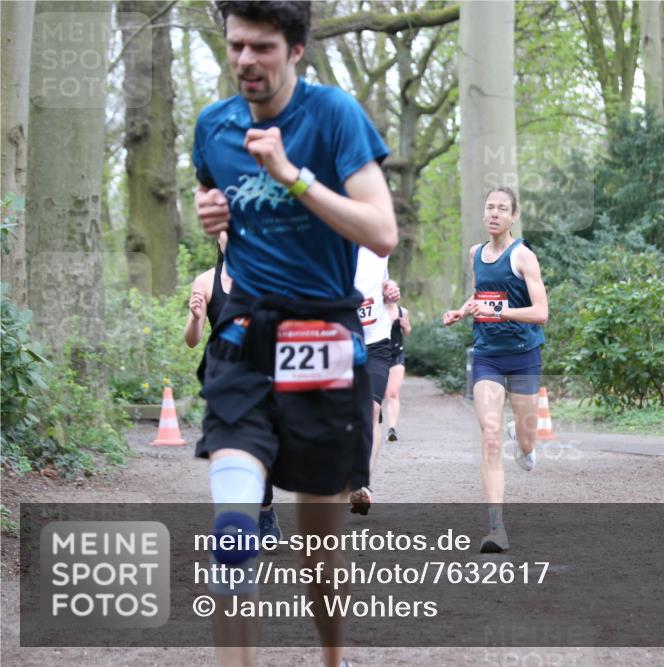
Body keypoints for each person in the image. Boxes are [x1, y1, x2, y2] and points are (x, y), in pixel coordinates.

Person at [192, 2, 396, 666]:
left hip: (321, 334)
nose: (247, 61)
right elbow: (221, 213)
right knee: (233, 522)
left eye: (264, 48)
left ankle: (333, 657)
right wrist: (210, 216)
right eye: (237, 47)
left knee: (318, 546)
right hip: (244, 336)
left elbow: (381, 230)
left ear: (297, 50)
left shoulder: (334, 116)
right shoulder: (212, 128)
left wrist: (295, 176)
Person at [442, 186, 547, 553]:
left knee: (527, 441)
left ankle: (523, 441)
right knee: (489, 437)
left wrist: (502, 312)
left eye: (502, 208)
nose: (495, 213)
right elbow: (481, 295)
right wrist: (462, 310)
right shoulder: (476, 254)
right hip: (486, 354)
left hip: (523, 355)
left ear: (513, 216)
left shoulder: (524, 257)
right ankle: (495, 528)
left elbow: (541, 313)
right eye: (489, 207)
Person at [184, 231, 281, 542]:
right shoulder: (205, 282)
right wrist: (196, 317)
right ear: (218, 238)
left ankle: (264, 510)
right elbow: (191, 340)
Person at [347, 251, 397, 515]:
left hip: (376, 342)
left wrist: (390, 292)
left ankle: (362, 485)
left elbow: (384, 284)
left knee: (373, 410)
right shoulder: (328, 243)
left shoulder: (379, 247)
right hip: (339, 342)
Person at [383, 297, 410, 442]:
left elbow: (407, 332)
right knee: (376, 394)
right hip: (378, 355)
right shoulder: (377, 310)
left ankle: (392, 428)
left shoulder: (402, 311)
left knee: (392, 393)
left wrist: (405, 326)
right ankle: (375, 415)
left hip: (397, 355)